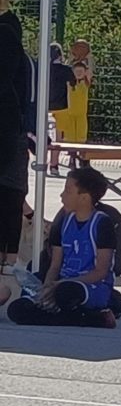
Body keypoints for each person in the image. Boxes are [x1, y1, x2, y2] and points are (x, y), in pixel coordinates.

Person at [7, 167, 120, 328]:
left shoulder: (102, 223)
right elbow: (55, 264)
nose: (62, 195)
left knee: (66, 293)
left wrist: (60, 285)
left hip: (88, 285)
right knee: (17, 310)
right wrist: (48, 287)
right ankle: (90, 319)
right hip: (60, 282)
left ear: (84, 198)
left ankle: (86, 313)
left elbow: (101, 271)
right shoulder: (63, 222)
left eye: (67, 191)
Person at [0, 14, 28, 271]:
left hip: (10, 132)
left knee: (11, 194)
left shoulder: (6, 36)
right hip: (13, 132)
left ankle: (9, 256)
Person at [46, 44, 76, 177]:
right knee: (57, 139)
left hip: (44, 107)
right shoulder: (66, 70)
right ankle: (54, 165)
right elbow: (73, 83)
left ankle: (41, 162)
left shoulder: (43, 69)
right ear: (60, 55)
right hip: (61, 107)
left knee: (42, 137)